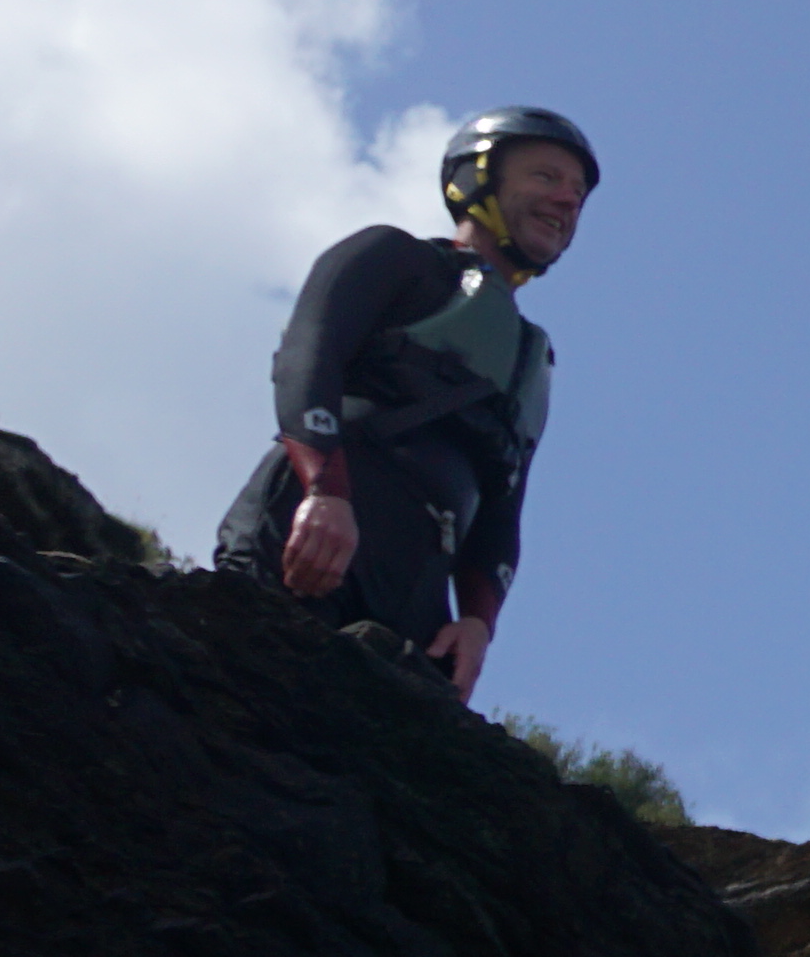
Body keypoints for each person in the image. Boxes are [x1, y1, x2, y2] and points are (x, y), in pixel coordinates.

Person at [210, 106, 591, 704]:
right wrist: (325, 492)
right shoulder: (395, 259)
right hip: (318, 524)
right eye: (546, 177)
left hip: (419, 588)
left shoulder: (530, 359)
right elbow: (306, 362)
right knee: (244, 702)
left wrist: (477, 623)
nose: (567, 201)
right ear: (476, 179)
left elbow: (503, 506)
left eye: (578, 194)